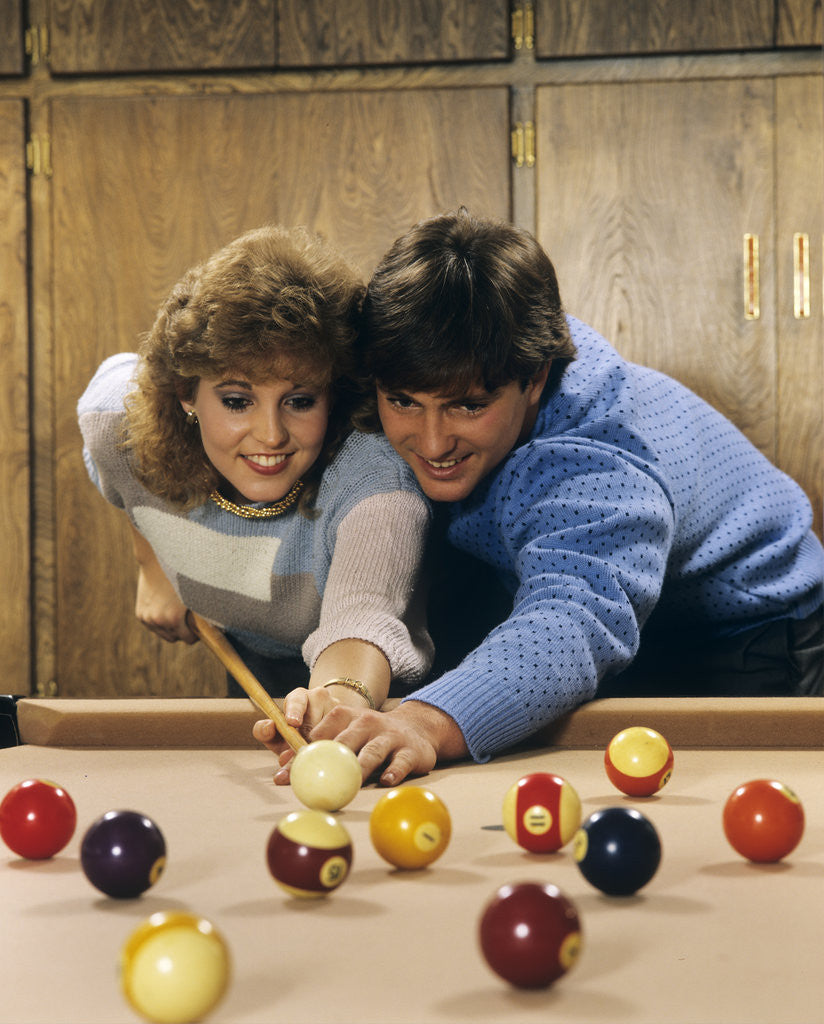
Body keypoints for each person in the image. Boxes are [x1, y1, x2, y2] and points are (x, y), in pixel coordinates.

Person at [255, 208, 824, 786]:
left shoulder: (595, 458)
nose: (430, 442)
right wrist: (156, 564)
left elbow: (574, 615)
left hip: (743, 629)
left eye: (468, 406)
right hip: (579, 612)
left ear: (534, 378)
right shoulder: (405, 368)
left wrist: (425, 724)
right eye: (404, 401)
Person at [78, 224, 433, 711]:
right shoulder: (119, 431)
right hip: (256, 666)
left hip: (389, 688)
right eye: (238, 400)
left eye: (300, 400)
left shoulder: (376, 482)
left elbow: (361, 622)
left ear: (334, 392)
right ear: (185, 391)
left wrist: (339, 704)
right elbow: (111, 399)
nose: (271, 434)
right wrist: (152, 564)